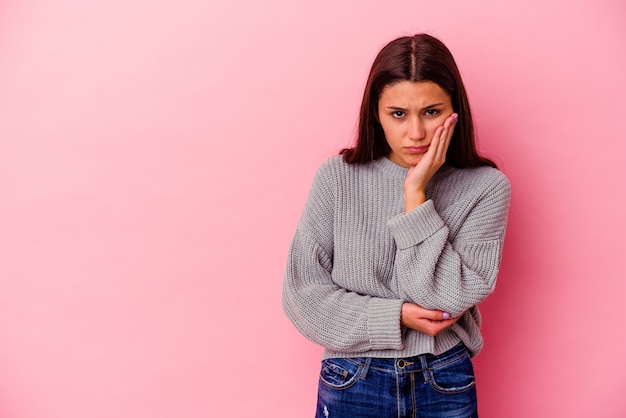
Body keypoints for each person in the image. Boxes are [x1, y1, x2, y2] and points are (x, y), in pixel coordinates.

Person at [282, 33, 511, 418]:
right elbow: (303, 297)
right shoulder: (337, 178)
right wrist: (397, 316)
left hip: (443, 377)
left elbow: (446, 298)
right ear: (376, 113)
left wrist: (415, 194)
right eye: (399, 114)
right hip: (353, 377)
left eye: (432, 112)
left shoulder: (485, 188)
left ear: (456, 110)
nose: (417, 133)